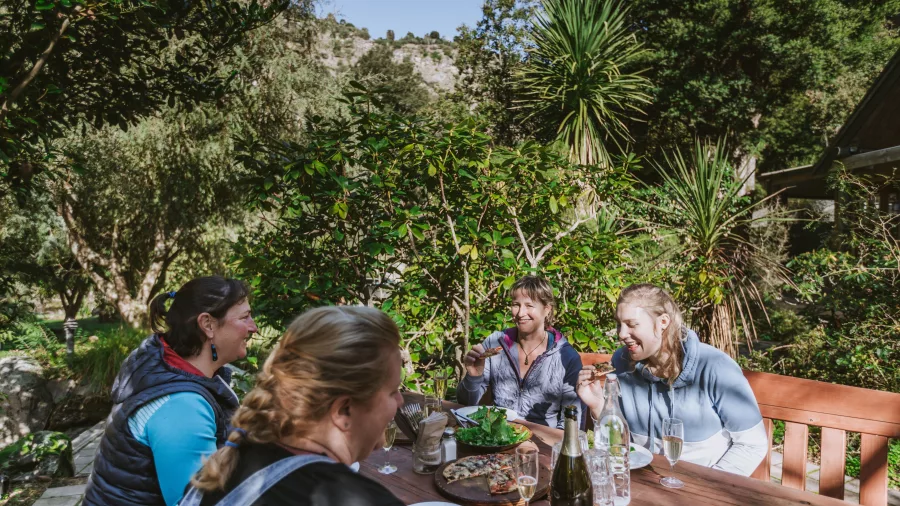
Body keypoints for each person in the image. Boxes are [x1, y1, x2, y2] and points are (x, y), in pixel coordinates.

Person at [183, 306, 406, 506]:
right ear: (344, 410)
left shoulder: (224, 466)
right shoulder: (357, 500)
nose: (400, 401)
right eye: (392, 392)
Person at [83, 276, 257, 506]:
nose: (253, 326)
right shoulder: (182, 408)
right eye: (245, 317)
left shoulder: (162, 363)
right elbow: (196, 502)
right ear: (207, 325)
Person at [577, 283, 767, 476]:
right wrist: (599, 405)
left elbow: (752, 444)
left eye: (632, 324)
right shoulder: (622, 361)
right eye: (619, 324)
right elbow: (618, 444)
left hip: (702, 486)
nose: (621, 334)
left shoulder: (715, 367)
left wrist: (707, 488)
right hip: (642, 481)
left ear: (663, 322)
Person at [457, 275, 583, 428]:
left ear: (547, 309)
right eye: (516, 304)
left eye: (529, 306)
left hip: (541, 443)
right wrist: (473, 377)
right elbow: (466, 403)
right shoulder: (496, 343)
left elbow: (571, 423)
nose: (520, 313)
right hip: (498, 435)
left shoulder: (566, 357)